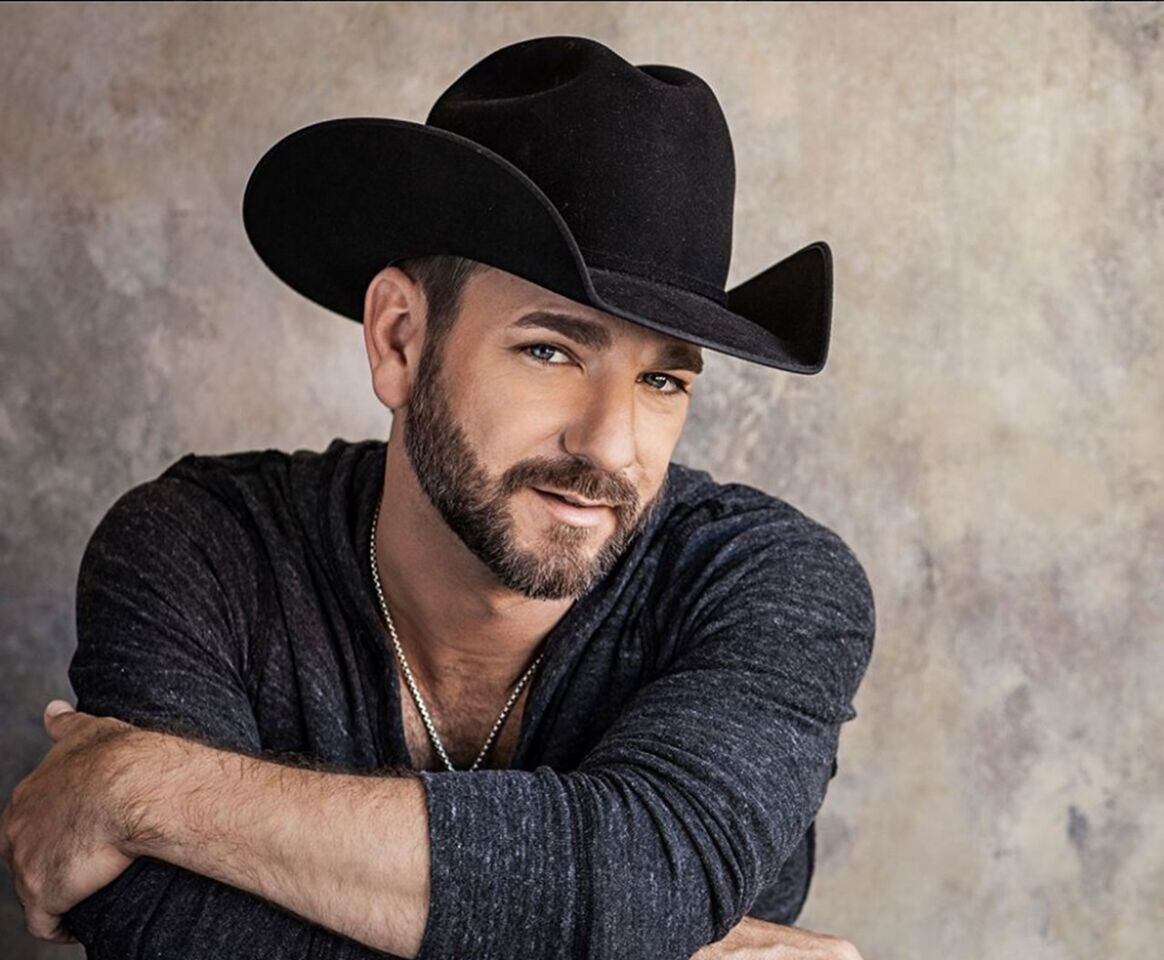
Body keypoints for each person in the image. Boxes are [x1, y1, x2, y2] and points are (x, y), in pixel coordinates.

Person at [0, 36, 875, 960]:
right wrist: (624, 933)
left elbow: (651, 875)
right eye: (551, 351)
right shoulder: (201, 551)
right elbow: (167, 929)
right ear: (401, 340)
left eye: (662, 380)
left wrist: (145, 792)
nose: (610, 446)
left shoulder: (770, 583)